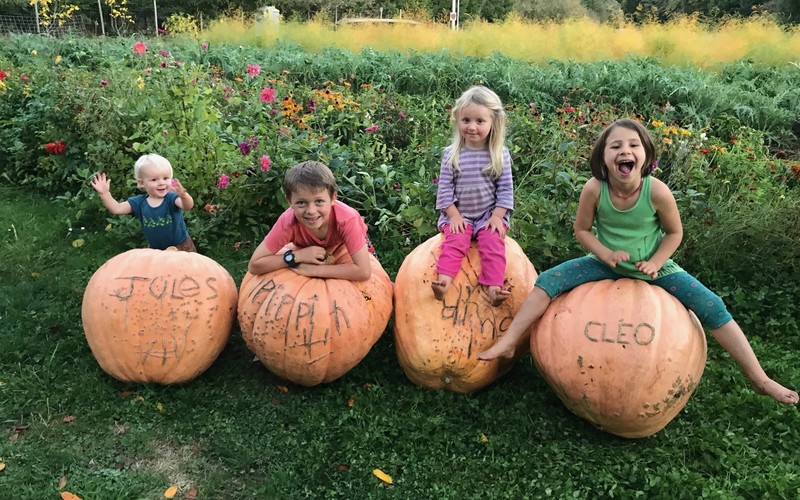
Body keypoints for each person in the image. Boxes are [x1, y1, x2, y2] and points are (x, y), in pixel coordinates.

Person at [478, 118, 798, 405]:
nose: (624, 150)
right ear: (603, 158)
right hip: (603, 263)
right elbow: (582, 230)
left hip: (654, 269)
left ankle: (759, 378)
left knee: (712, 306)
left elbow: (674, 233)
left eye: (633, 145)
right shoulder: (595, 189)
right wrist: (605, 254)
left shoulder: (657, 192)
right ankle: (508, 342)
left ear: (645, 155)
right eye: (615, 146)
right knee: (547, 281)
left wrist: (657, 262)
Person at [431, 85, 514, 307]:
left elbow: (505, 190)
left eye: (480, 121)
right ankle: (444, 283)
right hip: (460, 215)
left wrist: (496, 217)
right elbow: (445, 189)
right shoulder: (452, 154)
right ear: (457, 119)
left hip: (489, 214)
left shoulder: (499, 154)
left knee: (493, 243)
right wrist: (454, 216)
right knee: (454, 243)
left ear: (493, 123)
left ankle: (494, 288)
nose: (472, 127)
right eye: (466, 120)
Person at [247, 160, 373, 281]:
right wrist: (297, 256)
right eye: (301, 203)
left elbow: (363, 271)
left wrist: (315, 271)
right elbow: (254, 265)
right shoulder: (288, 223)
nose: (311, 211)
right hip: (308, 250)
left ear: (333, 197)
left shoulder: (347, 219)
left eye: (319, 201)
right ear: (289, 201)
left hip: (345, 246)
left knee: (372, 279)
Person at [90, 153, 196, 252]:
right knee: (160, 272)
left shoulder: (171, 198)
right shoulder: (139, 203)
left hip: (181, 247)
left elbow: (187, 206)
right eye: (154, 180)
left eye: (166, 178)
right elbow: (116, 208)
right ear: (141, 183)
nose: (161, 183)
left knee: (187, 272)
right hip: (156, 250)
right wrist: (104, 193)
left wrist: (184, 196)